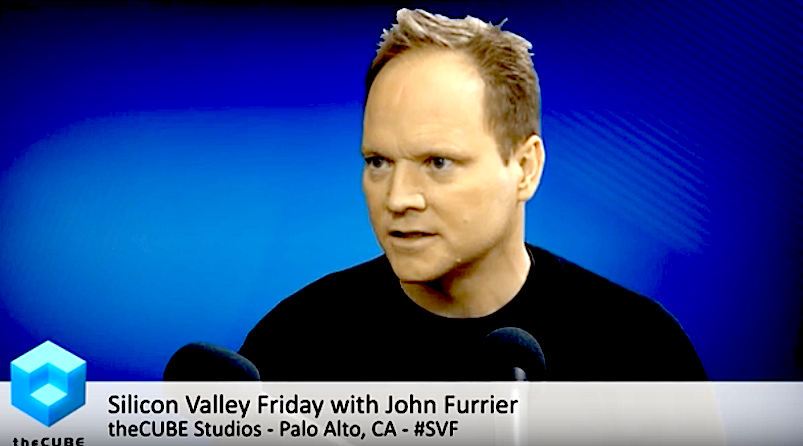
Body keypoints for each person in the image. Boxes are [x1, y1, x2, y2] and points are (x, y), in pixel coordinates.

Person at [238, 8, 708, 381]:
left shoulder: (642, 351)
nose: (398, 199)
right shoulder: (291, 347)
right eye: (378, 162)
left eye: (438, 162)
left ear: (525, 168)